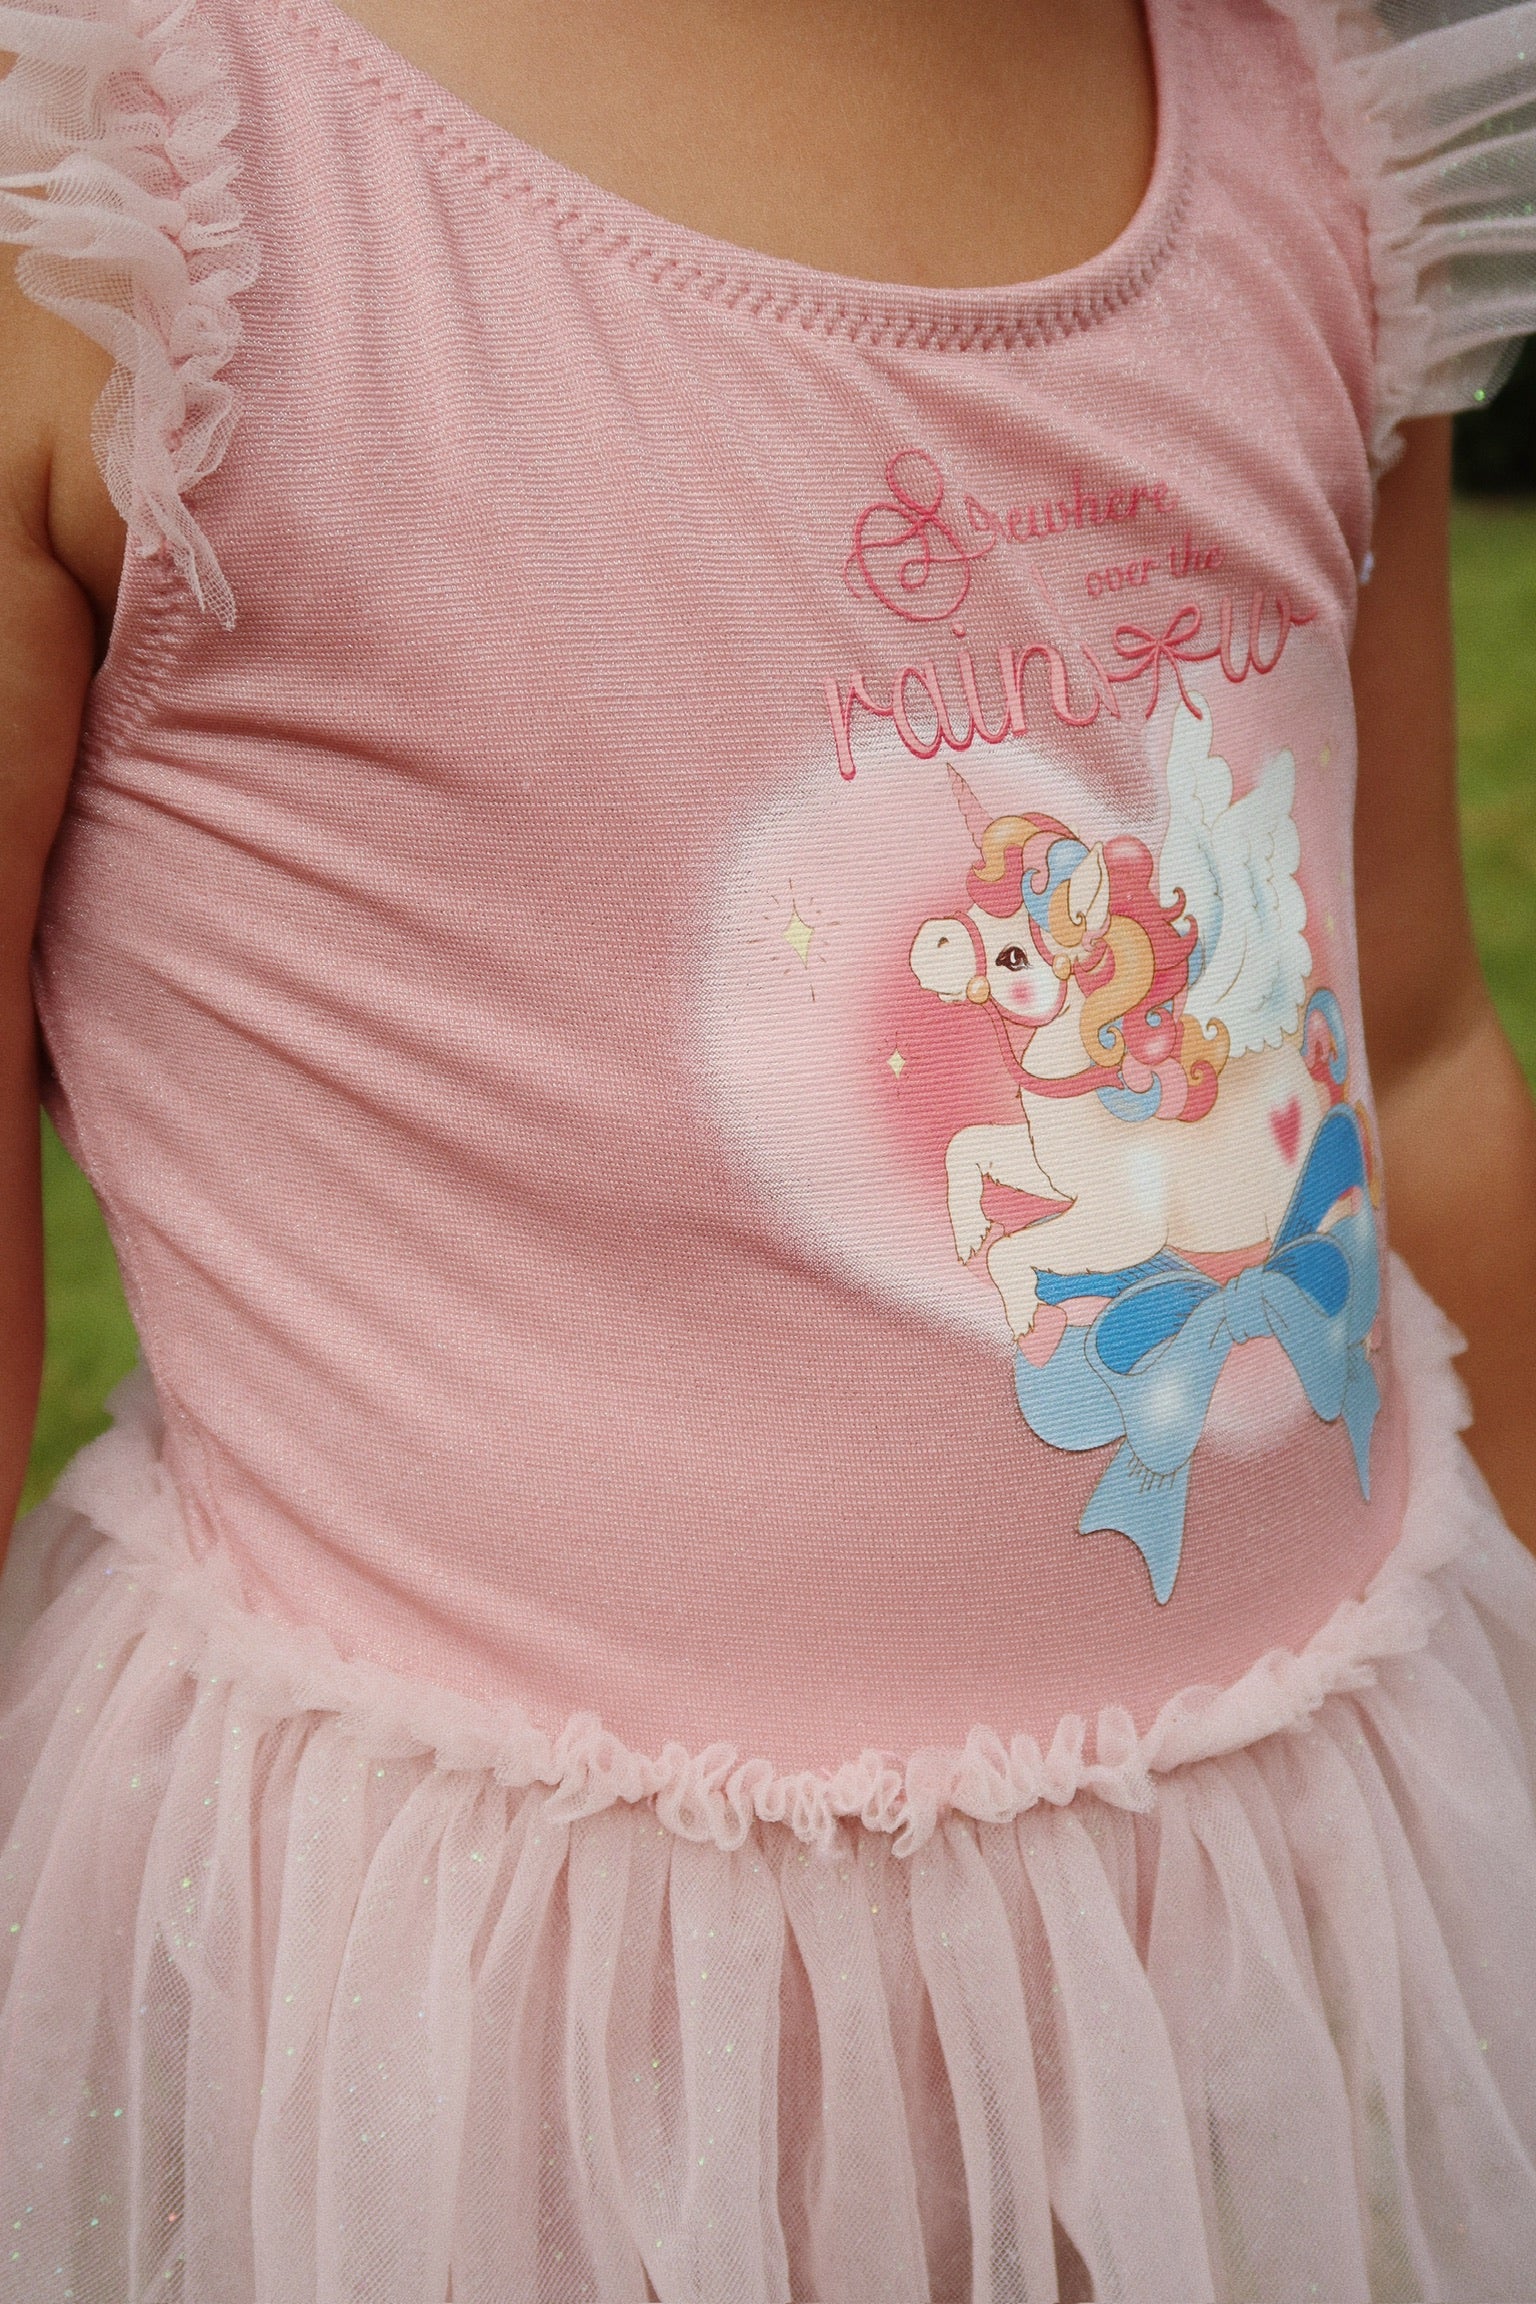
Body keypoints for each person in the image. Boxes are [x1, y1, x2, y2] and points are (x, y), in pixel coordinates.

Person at [2, 0, 1534, 2295]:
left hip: (1235, 1937)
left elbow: (1401, 1039)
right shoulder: (121, 183)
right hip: (486, 2031)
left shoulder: (1310, 147)